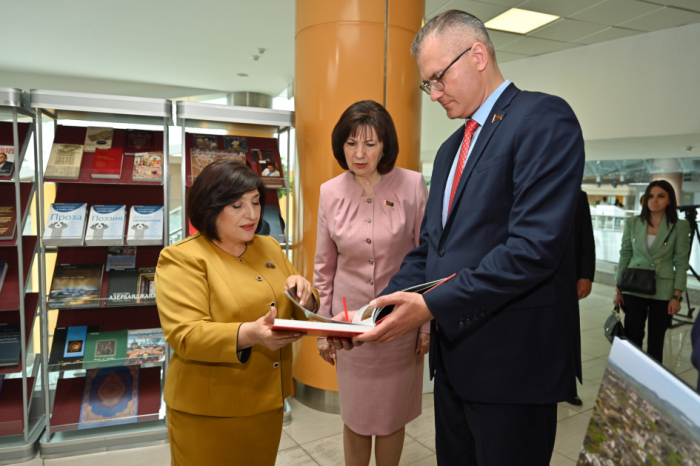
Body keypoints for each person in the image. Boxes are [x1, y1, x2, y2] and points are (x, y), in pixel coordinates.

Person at [338, 10, 585, 465]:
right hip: (454, 364)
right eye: (426, 84)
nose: (433, 94)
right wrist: (379, 308)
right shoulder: (451, 148)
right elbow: (432, 248)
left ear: (476, 56)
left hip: (513, 365)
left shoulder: (542, 118)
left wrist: (431, 305)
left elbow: (532, 250)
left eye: (437, 79)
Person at [155, 160, 318, 466]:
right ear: (210, 207)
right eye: (237, 205)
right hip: (209, 410)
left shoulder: (269, 247)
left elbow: (303, 308)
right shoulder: (182, 258)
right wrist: (251, 333)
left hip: (266, 402)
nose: (252, 214)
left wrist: (303, 295)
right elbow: (186, 334)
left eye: (256, 202)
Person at [314, 100, 429, 466]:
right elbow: (323, 268)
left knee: (392, 417)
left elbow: (426, 257)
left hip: (399, 323)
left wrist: (425, 324)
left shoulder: (411, 185)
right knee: (357, 417)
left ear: (386, 145)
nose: (359, 154)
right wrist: (322, 328)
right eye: (351, 143)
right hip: (349, 329)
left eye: (370, 143)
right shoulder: (329, 192)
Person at [613, 180, 690, 364]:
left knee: (656, 340)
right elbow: (625, 255)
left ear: (670, 200)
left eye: (661, 196)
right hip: (633, 285)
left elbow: (681, 263)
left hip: (662, 289)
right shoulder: (633, 223)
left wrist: (677, 296)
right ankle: (631, 376)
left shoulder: (679, 226)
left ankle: (651, 382)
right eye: (651, 196)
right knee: (632, 336)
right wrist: (618, 290)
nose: (654, 200)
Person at [569, 190, 596, 406]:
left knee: (566, 334)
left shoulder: (578, 196)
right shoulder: (526, 187)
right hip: (532, 277)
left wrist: (586, 275)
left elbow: (586, 237)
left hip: (566, 278)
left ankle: (567, 386)